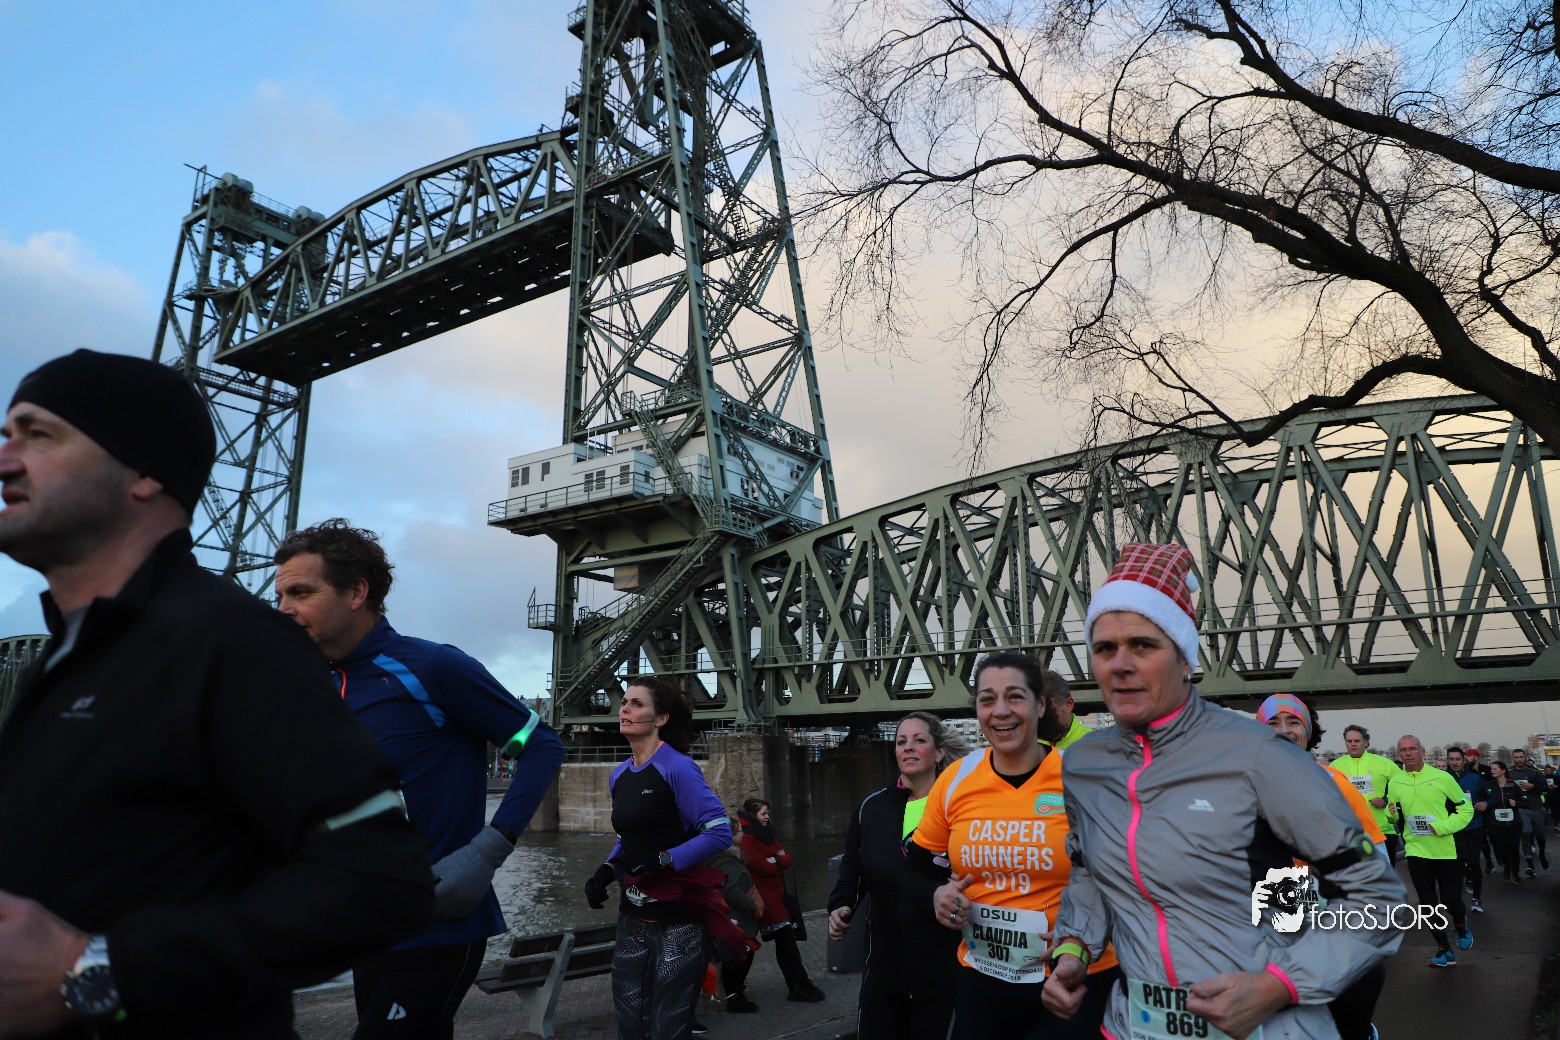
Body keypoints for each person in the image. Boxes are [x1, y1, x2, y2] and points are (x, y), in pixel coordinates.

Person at [0, 350, 434, 1039]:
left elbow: (383, 883)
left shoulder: (235, 642)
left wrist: (94, 973)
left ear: (144, 472)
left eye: (39, 435)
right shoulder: (58, 662)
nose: (6, 460)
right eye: (7, 434)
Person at [1044, 541, 1403, 1040]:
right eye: (1105, 648)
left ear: (1184, 658)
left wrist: (1278, 986)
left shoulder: (1259, 755)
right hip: (1133, 1026)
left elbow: (1378, 897)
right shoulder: (1084, 765)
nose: (1120, 664)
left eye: (1143, 645)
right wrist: (1074, 949)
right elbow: (1091, 872)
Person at [274, 519, 566, 1039]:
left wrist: (486, 853)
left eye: (301, 592)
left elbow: (539, 744)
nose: (284, 609)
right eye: (280, 595)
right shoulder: (311, 685)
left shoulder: (432, 668)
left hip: (438, 925)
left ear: (356, 593)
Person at [907, 651, 1121, 1040]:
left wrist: (1077, 945)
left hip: (1074, 978)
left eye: (1015, 697)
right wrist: (936, 894)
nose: (1001, 711)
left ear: (1040, 705)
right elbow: (917, 867)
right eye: (987, 699)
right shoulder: (956, 779)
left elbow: (1121, 880)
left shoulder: (1083, 778)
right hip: (981, 980)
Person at [582, 677, 746, 1040]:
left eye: (637, 704)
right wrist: (606, 870)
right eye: (624, 702)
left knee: (667, 1027)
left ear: (661, 719)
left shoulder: (677, 767)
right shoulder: (619, 775)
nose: (625, 709)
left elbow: (718, 831)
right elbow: (628, 839)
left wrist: (663, 860)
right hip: (632, 917)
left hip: (679, 920)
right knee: (629, 1023)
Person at [826, 711, 970, 1040]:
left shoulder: (959, 807)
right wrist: (842, 903)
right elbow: (853, 864)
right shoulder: (871, 807)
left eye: (919, 740)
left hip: (942, 972)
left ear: (939, 752)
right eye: (901, 741)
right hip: (883, 973)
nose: (908, 747)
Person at [1254, 694, 1386, 1040]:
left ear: (1309, 732)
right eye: (1272, 723)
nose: (1284, 730)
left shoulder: (1335, 783)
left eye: (1293, 722)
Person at [1387, 735, 1474, 967]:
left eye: (1412, 749)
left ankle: (1461, 925)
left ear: (1422, 751)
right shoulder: (1395, 782)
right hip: (1417, 850)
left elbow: (1466, 810)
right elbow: (1393, 815)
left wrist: (1443, 827)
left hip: (1446, 851)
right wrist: (1390, 814)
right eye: (1403, 750)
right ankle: (1444, 950)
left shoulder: (1442, 777)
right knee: (1427, 905)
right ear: (1399, 753)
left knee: (1450, 901)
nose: (1408, 753)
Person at [735, 798, 828, 1003]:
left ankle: (796, 987)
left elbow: (787, 859)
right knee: (785, 942)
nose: (767, 817)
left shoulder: (767, 835)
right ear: (753, 816)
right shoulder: (748, 840)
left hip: (777, 897)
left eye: (767, 812)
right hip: (764, 900)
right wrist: (777, 859)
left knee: (784, 943)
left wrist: (776, 859)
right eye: (763, 813)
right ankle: (801, 985)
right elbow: (764, 868)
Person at [1331, 724, 1405, 864]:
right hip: (1350, 832)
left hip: (1382, 830)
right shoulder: (1335, 766)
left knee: (1385, 875)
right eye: (1349, 741)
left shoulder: (1383, 763)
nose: (1353, 744)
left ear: (1365, 742)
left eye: (1357, 741)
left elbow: (1403, 785)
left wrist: (1385, 799)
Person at [1446, 748, 1491, 912]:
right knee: (1456, 864)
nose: (1454, 762)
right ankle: (1457, 901)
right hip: (1451, 828)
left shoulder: (1475, 778)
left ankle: (1476, 899)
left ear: (1464, 760)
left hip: (1473, 826)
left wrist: (1486, 803)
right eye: (1451, 759)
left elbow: (1490, 794)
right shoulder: (1443, 778)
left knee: (1473, 861)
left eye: (1457, 759)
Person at [1508, 748, 1549, 876]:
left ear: (1525, 758)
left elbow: (1545, 787)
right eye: (1516, 757)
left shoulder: (1535, 772)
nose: (1519, 760)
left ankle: (1542, 853)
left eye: (1521, 757)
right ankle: (1530, 865)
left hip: (1536, 807)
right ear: (1513, 759)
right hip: (1521, 808)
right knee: (1525, 833)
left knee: (1539, 834)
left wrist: (1533, 786)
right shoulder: (1509, 773)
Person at [1487, 761, 1525, 883]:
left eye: (1495, 769)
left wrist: (1517, 803)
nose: (1492, 771)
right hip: (1498, 824)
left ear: (1503, 771)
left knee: (1514, 849)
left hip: (1514, 823)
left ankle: (1516, 874)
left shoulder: (1512, 784)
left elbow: (1524, 799)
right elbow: (1485, 801)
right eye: (1491, 769)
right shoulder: (1489, 786)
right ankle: (1507, 867)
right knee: (1503, 849)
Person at [1036, 669, 1090, 749]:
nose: (1040, 717)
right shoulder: (1027, 744)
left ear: (1068, 704)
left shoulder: (1092, 744)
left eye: (1047, 710)